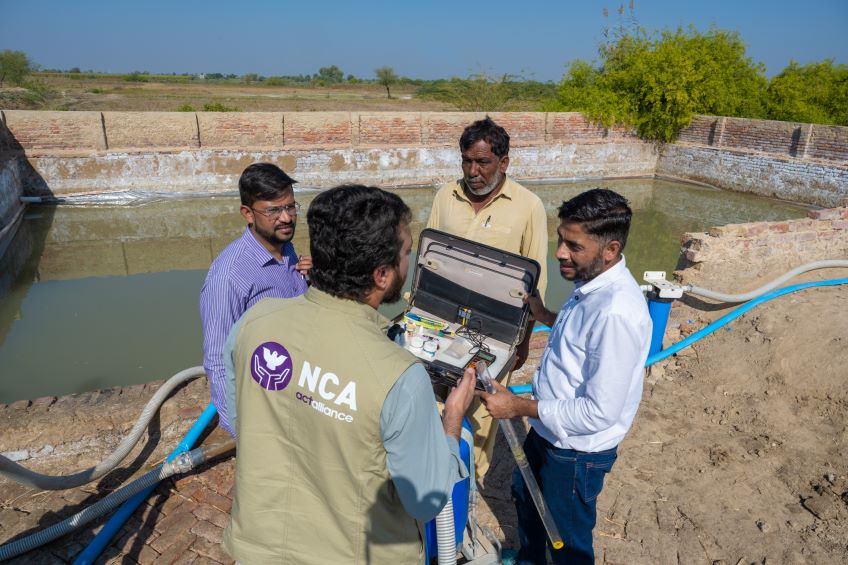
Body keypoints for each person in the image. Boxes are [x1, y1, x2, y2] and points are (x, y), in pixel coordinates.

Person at [222, 185, 476, 564]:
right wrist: (452, 423)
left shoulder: (255, 322)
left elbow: (243, 419)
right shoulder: (400, 376)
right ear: (382, 275)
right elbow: (425, 499)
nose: (410, 264)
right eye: (407, 253)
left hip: (257, 548)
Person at [478, 188, 652, 565]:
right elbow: (580, 337)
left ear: (610, 249)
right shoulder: (591, 284)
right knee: (529, 507)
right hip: (549, 431)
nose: (559, 252)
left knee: (568, 541)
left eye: (573, 246)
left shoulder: (617, 312)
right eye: (560, 240)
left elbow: (599, 412)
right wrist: (544, 316)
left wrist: (517, 405)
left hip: (576, 453)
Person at [426, 116, 548, 479]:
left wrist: (523, 340)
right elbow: (428, 259)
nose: (473, 171)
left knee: (480, 413)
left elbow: (535, 282)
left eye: (483, 162)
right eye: (466, 161)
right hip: (440, 322)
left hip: (495, 332)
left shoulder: (528, 206)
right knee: (432, 405)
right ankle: (433, 479)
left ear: (504, 163)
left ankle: (469, 487)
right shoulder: (445, 196)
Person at [199, 163, 311, 437]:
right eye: (273, 210)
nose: (286, 218)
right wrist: (243, 432)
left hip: (299, 390)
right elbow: (217, 360)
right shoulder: (229, 276)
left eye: (291, 207)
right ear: (247, 213)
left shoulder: (287, 250)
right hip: (266, 403)